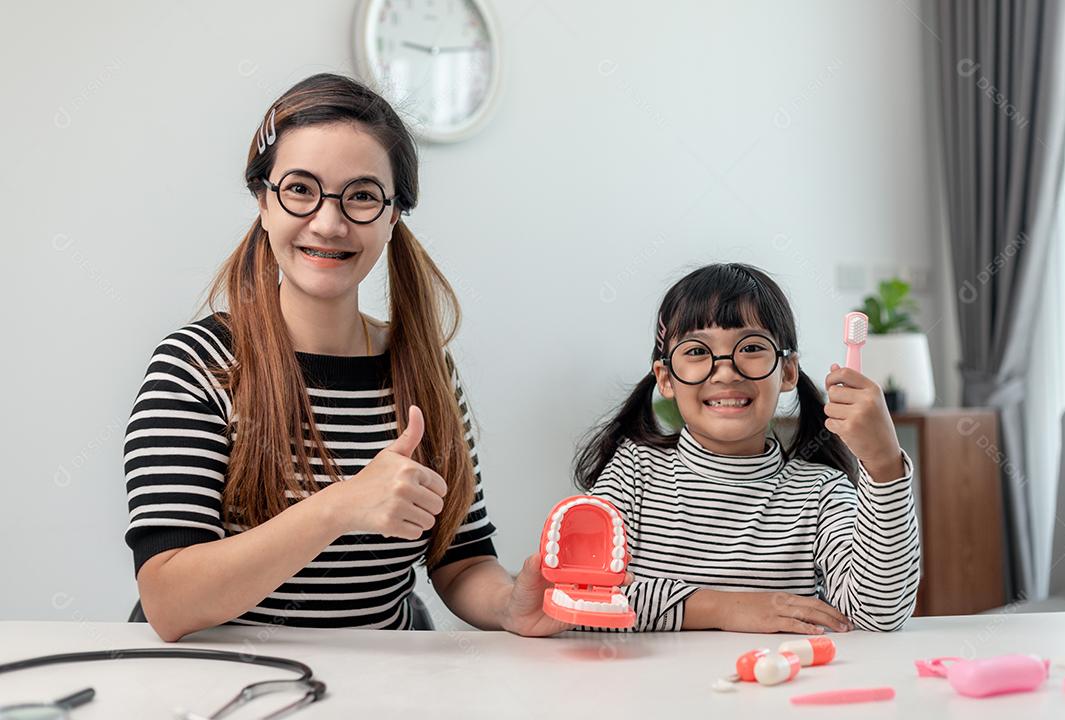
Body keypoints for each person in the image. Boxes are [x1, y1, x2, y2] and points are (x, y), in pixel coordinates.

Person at [124, 73, 567, 641]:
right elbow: (169, 600)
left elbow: (460, 560)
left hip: (384, 677)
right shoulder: (197, 365)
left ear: (393, 215)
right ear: (263, 201)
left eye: (361, 196)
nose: (329, 224)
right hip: (228, 676)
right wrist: (342, 506)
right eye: (300, 189)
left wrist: (509, 605)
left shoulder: (425, 369)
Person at [574, 263, 920, 633]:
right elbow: (580, 597)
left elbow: (877, 615)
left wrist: (884, 464)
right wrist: (722, 608)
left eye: (751, 348)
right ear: (666, 378)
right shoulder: (633, 473)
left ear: (788, 371)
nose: (726, 372)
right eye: (697, 351)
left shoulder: (820, 493)